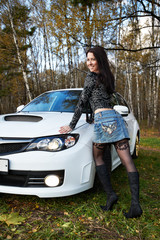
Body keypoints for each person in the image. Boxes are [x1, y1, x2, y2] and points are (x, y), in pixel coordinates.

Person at [59, 46, 142, 218]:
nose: (89, 63)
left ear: (99, 60)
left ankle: (111, 195)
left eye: (92, 59)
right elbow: (99, 100)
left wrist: (71, 126)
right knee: (127, 161)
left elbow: (82, 102)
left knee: (97, 157)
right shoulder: (107, 77)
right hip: (116, 119)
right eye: (88, 59)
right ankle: (135, 205)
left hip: (103, 121)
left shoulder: (90, 78)